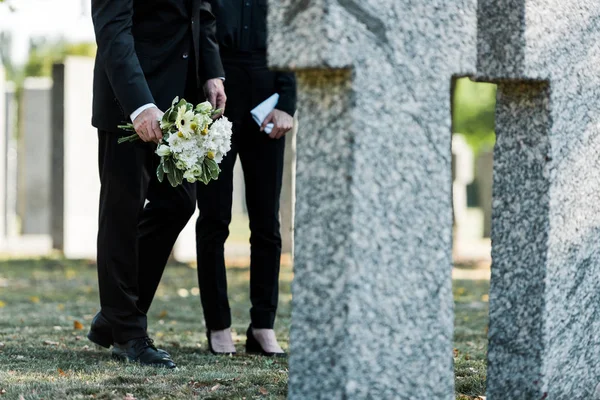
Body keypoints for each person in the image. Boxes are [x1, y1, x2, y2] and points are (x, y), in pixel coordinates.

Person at [87, 0, 226, 368]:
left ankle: (114, 317)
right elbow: (113, 28)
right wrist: (139, 106)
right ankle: (128, 334)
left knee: (178, 204)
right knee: (121, 215)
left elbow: (202, 12)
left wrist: (212, 71)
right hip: (128, 101)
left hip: (181, 100)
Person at [195, 0, 297, 356]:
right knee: (214, 218)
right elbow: (200, 25)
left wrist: (288, 102)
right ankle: (218, 325)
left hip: (268, 95)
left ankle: (263, 326)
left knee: (267, 221)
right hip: (216, 91)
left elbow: (295, 35)